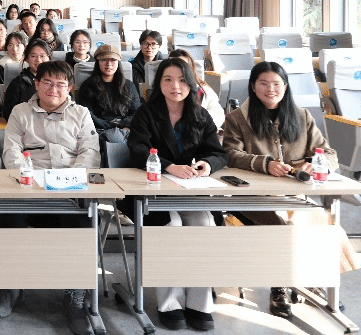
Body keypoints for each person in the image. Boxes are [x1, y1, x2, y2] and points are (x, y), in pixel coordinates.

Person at [222, 61, 348, 319]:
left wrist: (316, 163)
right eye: (263, 83)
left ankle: (311, 278)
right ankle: (280, 285)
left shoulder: (302, 117)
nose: (271, 89)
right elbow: (230, 154)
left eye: (276, 84)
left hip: (294, 196)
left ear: (286, 86)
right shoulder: (237, 119)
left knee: (321, 220)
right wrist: (264, 164)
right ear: (253, 87)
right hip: (253, 198)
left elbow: (330, 154)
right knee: (282, 226)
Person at [0, 60, 99, 334]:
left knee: (83, 222)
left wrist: (69, 181)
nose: (53, 89)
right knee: (8, 217)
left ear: (69, 88)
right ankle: (10, 286)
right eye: (47, 83)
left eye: (60, 84)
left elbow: (89, 153)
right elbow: (11, 152)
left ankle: (75, 295)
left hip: (68, 190)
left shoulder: (81, 113)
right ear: (36, 84)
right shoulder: (20, 112)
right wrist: (32, 179)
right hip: (28, 187)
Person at [127, 57, 226, 332]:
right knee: (172, 225)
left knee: (203, 222)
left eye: (182, 80)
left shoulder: (200, 115)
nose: (175, 86)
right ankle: (170, 303)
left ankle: (199, 303)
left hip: (188, 190)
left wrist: (207, 164)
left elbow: (218, 152)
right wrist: (168, 166)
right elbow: (136, 150)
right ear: (159, 83)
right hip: (150, 192)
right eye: (168, 80)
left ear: (191, 83)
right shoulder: (146, 113)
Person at [77, 44, 140, 147]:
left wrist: (125, 126)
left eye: (113, 60)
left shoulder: (128, 85)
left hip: (126, 129)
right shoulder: (88, 86)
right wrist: (111, 127)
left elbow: (136, 111)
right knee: (114, 137)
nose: (109, 64)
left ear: (118, 62)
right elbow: (87, 114)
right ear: (98, 62)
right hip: (99, 129)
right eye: (104, 60)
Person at [168, 49, 224, 127]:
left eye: (185, 66)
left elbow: (219, 114)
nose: (182, 69)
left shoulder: (204, 90)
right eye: (177, 66)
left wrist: (198, 118)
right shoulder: (165, 88)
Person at [2, 39, 51, 120]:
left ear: (49, 58)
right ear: (27, 59)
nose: (38, 60)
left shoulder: (58, 81)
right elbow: (9, 113)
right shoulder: (18, 83)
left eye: (42, 56)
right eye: (33, 56)